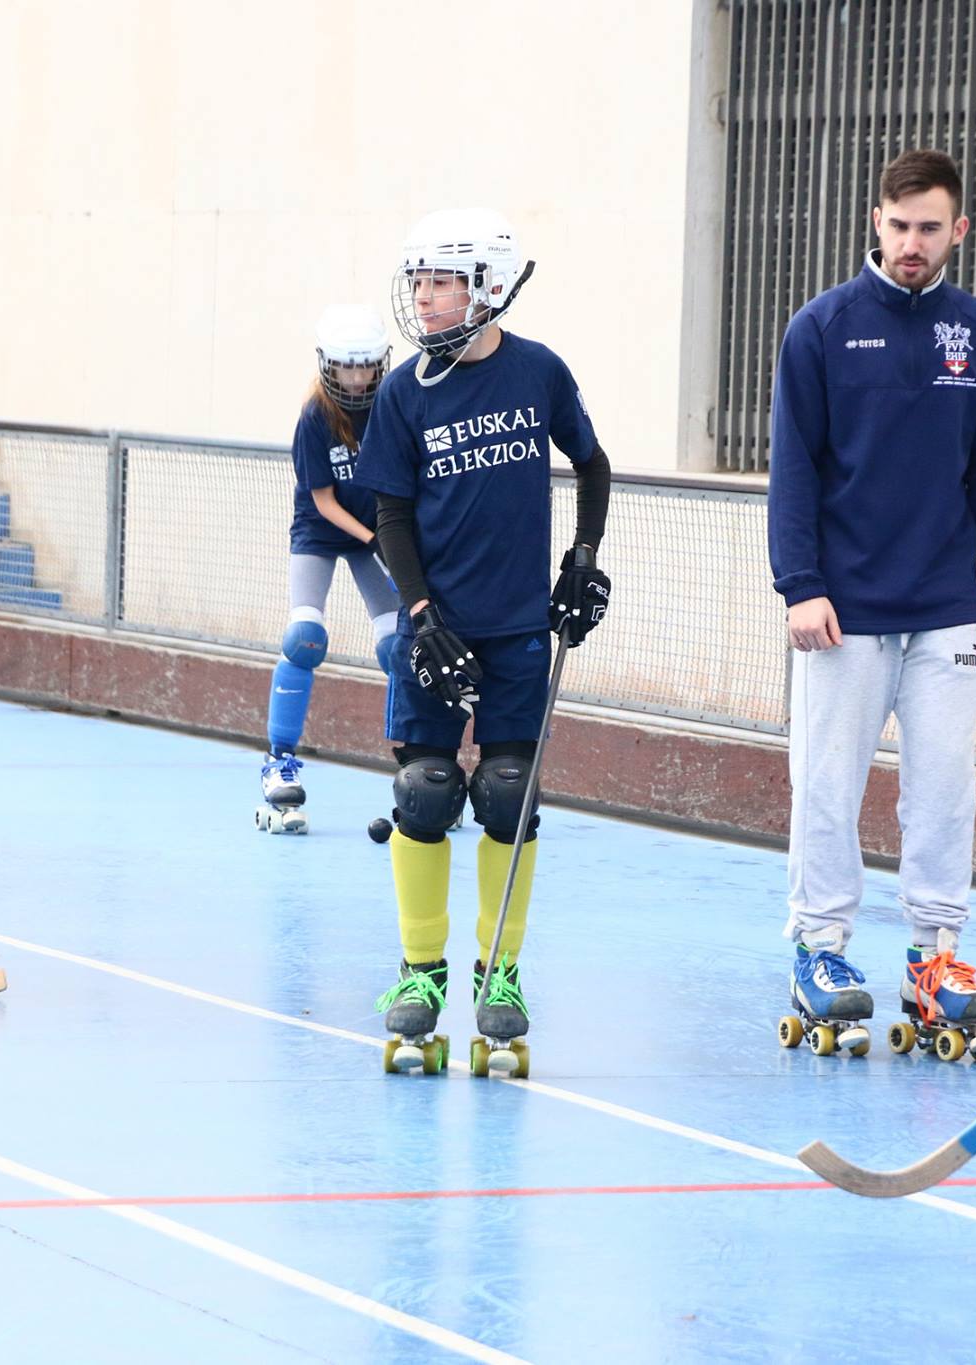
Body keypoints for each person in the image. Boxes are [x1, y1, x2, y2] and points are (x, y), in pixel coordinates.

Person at [766, 148, 976, 1059]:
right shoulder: (821, 329)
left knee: (945, 789)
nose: (913, 243)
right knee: (827, 785)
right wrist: (801, 585)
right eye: (900, 225)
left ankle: (934, 956)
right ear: (876, 221)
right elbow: (794, 470)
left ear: (959, 231)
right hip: (843, 612)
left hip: (948, 605)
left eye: (930, 228)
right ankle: (819, 948)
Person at [353, 207, 613, 1075]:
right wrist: (420, 613)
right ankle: (421, 971)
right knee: (425, 792)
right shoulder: (404, 392)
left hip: (517, 628)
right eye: (419, 282)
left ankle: (499, 971)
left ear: (488, 287)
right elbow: (390, 513)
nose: (424, 299)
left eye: (441, 282)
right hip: (437, 627)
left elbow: (592, 463)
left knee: (507, 793)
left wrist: (582, 558)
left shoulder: (539, 371)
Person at [255, 304, 402, 835]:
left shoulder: (391, 405)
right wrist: (376, 539)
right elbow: (323, 501)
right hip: (324, 531)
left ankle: (421, 765)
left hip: (373, 530)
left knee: (400, 647)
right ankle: (279, 762)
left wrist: (392, 537)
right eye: (347, 367)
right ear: (328, 364)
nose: (357, 379)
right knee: (305, 637)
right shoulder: (315, 416)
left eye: (366, 367)